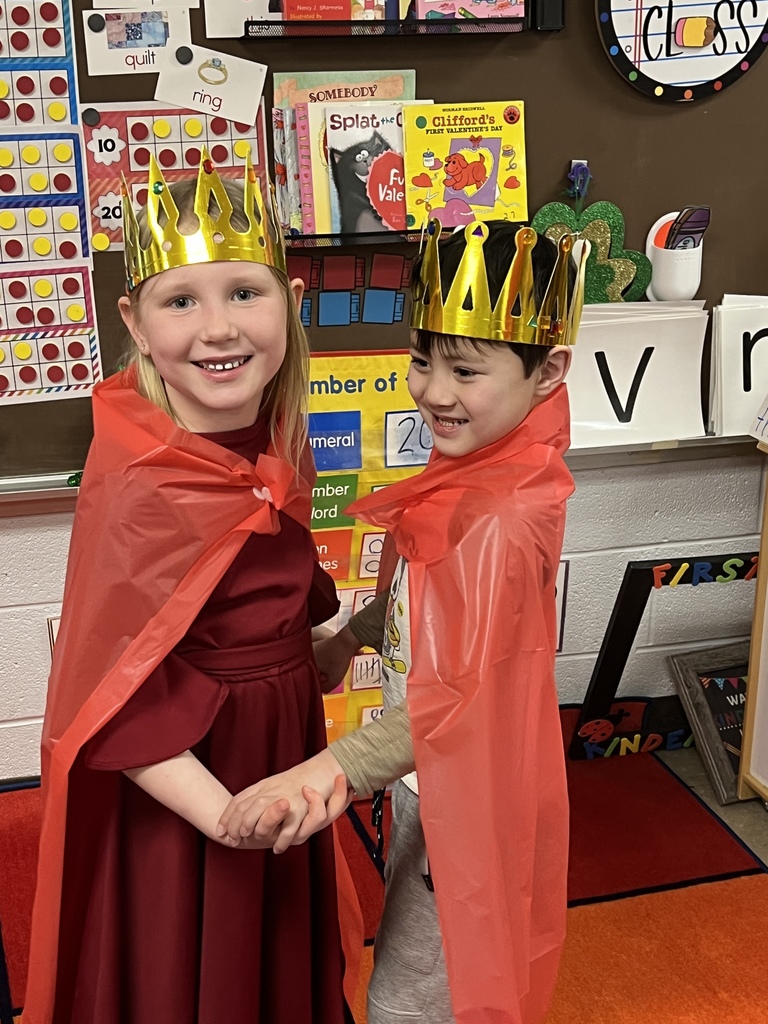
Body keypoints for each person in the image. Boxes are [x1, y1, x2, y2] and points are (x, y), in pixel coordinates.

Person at [217, 219, 589, 1024]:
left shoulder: (497, 516)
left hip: (469, 794)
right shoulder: (483, 466)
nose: (432, 390)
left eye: (465, 369)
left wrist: (327, 772)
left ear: (550, 371)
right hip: (432, 781)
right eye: (423, 360)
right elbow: (434, 605)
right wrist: (349, 638)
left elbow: (450, 699)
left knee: (416, 995)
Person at [24, 150, 361, 1024]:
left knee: (273, 974)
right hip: (193, 803)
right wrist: (224, 818)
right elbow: (113, 695)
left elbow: (283, 652)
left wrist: (358, 633)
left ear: (288, 301)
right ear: (136, 323)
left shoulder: (274, 448)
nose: (218, 329)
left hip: (276, 773)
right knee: (192, 981)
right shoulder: (141, 477)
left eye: (245, 292)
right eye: (183, 301)